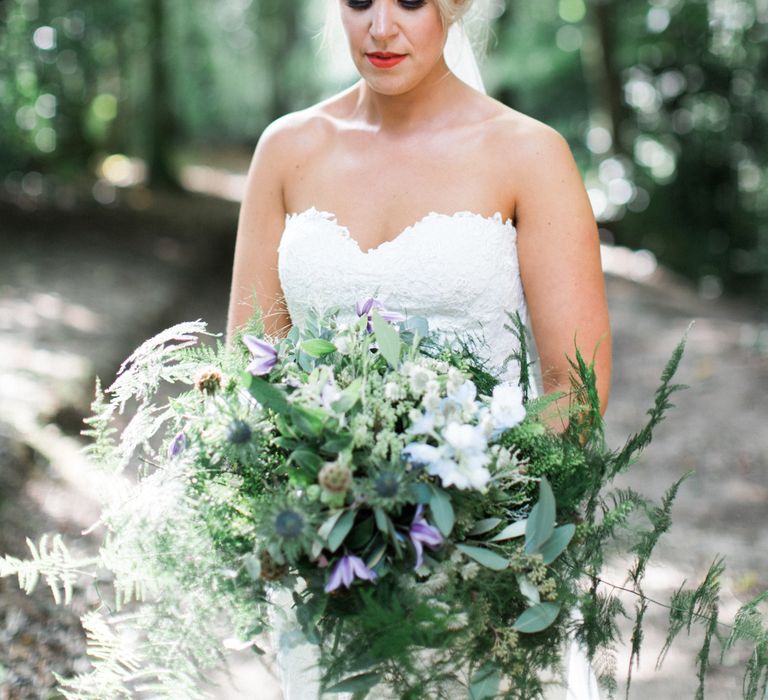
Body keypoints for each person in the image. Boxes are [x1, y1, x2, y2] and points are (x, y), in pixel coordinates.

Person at [226, 0, 610, 696]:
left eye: (409, 1)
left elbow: (574, 391)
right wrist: (317, 512)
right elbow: (248, 369)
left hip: (486, 565)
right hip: (333, 562)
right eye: (358, 2)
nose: (380, 27)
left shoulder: (529, 153)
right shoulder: (286, 151)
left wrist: (473, 523)